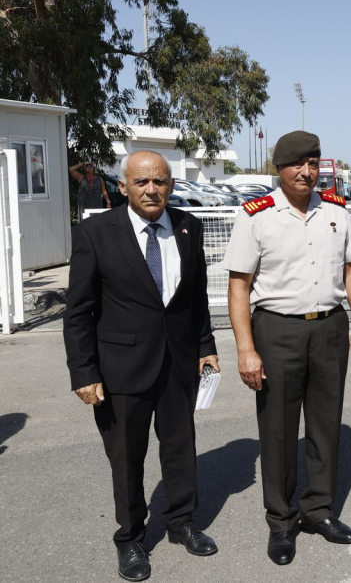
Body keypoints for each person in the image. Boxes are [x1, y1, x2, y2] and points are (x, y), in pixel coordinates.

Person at [63, 151, 219, 582]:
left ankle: (182, 521)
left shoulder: (189, 226)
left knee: (180, 447)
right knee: (127, 458)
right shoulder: (96, 232)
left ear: (171, 185)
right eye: (142, 182)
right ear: (125, 186)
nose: (152, 190)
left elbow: (195, 297)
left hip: (178, 362)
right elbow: (78, 311)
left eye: (161, 182)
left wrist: (205, 344)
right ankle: (130, 538)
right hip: (120, 369)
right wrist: (84, 371)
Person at [223, 131, 351, 566]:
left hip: (328, 329)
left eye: (313, 163)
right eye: (297, 164)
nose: (307, 172)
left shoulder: (335, 212)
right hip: (277, 331)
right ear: (279, 169)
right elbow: (238, 287)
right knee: (279, 430)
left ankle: (318, 511)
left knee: (326, 425)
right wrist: (246, 349)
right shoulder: (256, 216)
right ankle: (282, 521)